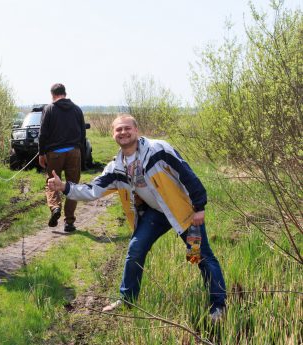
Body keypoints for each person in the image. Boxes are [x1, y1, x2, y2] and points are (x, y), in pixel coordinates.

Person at [47, 115, 227, 321]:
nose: (123, 133)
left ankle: (218, 306)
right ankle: (127, 300)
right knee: (135, 249)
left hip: (184, 212)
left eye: (127, 128)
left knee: (199, 256)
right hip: (155, 214)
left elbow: (186, 173)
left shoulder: (158, 150)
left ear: (136, 130)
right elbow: (93, 189)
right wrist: (64, 187)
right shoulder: (117, 167)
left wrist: (199, 206)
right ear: (113, 135)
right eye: (118, 130)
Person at [38, 83, 86, 232]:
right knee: (73, 185)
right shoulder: (77, 109)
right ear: (65, 93)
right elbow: (83, 135)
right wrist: (82, 156)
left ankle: (55, 207)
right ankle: (69, 222)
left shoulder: (49, 109)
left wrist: (41, 153)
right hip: (74, 151)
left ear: (52, 95)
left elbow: (43, 134)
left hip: (55, 153)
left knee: (51, 182)